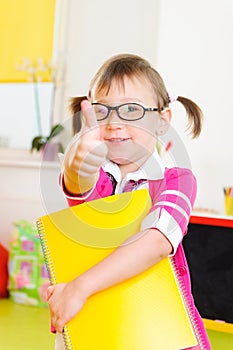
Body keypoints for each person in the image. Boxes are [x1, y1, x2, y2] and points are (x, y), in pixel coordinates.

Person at [47, 53, 211, 349]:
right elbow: (77, 183)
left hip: (159, 330)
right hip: (97, 326)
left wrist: (78, 290)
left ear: (162, 122)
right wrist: (77, 160)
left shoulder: (175, 180)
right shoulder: (100, 180)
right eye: (103, 111)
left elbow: (157, 242)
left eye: (131, 110)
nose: (114, 123)